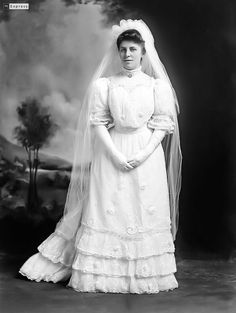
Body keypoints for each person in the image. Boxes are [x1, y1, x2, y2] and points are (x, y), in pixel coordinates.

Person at [19, 19, 182, 294]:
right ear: (117, 53)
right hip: (112, 150)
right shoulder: (105, 85)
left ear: (144, 51)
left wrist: (142, 153)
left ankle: (143, 273)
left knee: (143, 207)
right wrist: (116, 154)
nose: (127, 55)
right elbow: (98, 123)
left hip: (147, 151)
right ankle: (104, 274)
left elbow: (163, 124)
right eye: (123, 50)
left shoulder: (157, 87)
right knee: (111, 206)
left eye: (132, 49)